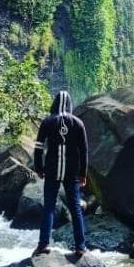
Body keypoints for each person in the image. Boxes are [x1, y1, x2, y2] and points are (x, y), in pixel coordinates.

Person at [32, 90, 88, 257]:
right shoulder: (78, 123)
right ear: (70, 104)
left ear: (54, 104)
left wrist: (38, 167)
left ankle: (43, 244)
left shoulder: (48, 122)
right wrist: (83, 173)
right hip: (71, 172)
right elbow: (84, 150)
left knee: (49, 207)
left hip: (51, 169)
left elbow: (39, 147)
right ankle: (80, 246)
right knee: (75, 208)